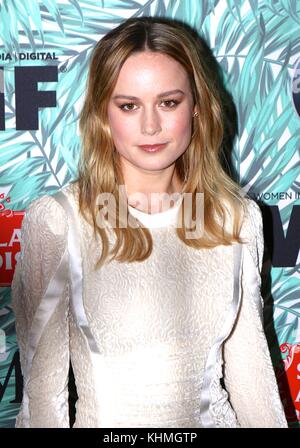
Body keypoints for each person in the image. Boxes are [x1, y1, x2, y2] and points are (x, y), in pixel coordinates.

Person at [11, 16, 288, 428]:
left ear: (197, 107)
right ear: (103, 115)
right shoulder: (59, 221)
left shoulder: (237, 217)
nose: (151, 126)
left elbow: (251, 372)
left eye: (169, 102)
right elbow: (42, 396)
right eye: (129, 106)